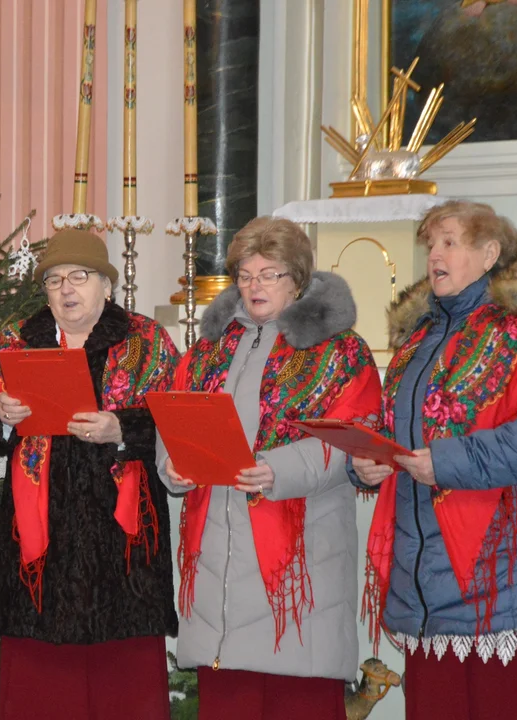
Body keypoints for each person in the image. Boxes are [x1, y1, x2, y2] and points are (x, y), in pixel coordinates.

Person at [353, 200, 517, 720]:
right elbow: (396, 430)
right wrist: (373, 462)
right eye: (430, 245)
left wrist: (444, 460)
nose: (434, 255)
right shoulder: (417, 340)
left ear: (490, 254)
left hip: (512, 579)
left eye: (449, 242)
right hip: (429, 581)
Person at [163, 216, 381, 720]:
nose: (253, 285)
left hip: (303, 561)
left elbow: (354, 436)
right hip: (218, 554)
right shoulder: (205, 355)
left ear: (298, 280)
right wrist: (173, 466)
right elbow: (173, 423)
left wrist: (277, 468)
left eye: (269, 273)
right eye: (244, 273)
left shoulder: (340, 352)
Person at [0, 229, 179, 719]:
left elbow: (177, 419)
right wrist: (0, 415)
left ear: (106, 285)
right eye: (54, 280)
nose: (66, 289)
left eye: (79, 277)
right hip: (37, 551)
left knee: (123, 689)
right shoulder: (16, 341)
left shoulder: (146, 340)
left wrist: (119, 427)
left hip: (123, 547)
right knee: (41, 692)